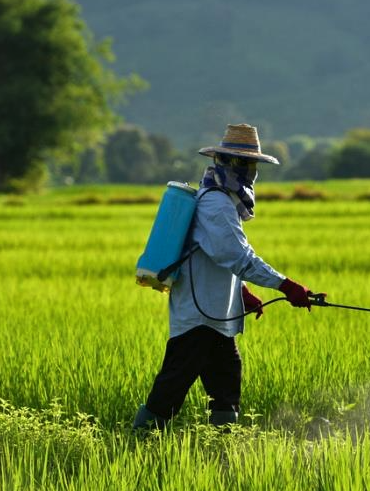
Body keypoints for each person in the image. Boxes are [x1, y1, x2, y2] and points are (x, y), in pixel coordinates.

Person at [133, 123, 315, 429]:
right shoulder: (216, 203)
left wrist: (241, 293)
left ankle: (221, 451)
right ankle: (138, 445)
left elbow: (219, 254)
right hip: (199, 315)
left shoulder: (224, 200)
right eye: (246, 164)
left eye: (252, 164)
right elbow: (237, 256)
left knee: (226, 391)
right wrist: (287, 286)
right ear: (230, 163)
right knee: (169, 393)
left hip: (217, 316)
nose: (251, 171)